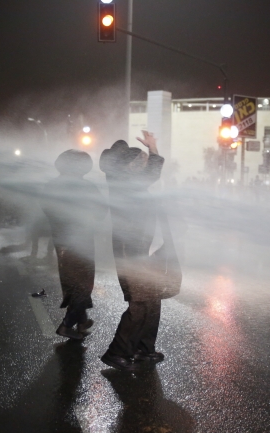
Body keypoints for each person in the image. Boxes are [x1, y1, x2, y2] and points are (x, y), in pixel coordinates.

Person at [99, 131, 166, 372]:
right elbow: (151, 175)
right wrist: (152, 151)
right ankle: (116, 352)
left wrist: (153, 149)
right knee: (140, 303)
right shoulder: (121, 183)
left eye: (143, 161)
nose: (143, 165)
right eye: (138, 162)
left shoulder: (130, 182)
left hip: (144, 251)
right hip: (131, 252)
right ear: (125, 166)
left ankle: (143, 348)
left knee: (152, 300)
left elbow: (150, 173)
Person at [40, 150, 107, 340]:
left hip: (61, 242)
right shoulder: (87, 187)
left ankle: (82, 320)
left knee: (73, 282)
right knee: (83, 284)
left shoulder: (51, 186)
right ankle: (67, 325)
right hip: (82, 243)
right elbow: (101, 212)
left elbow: (48, 211)